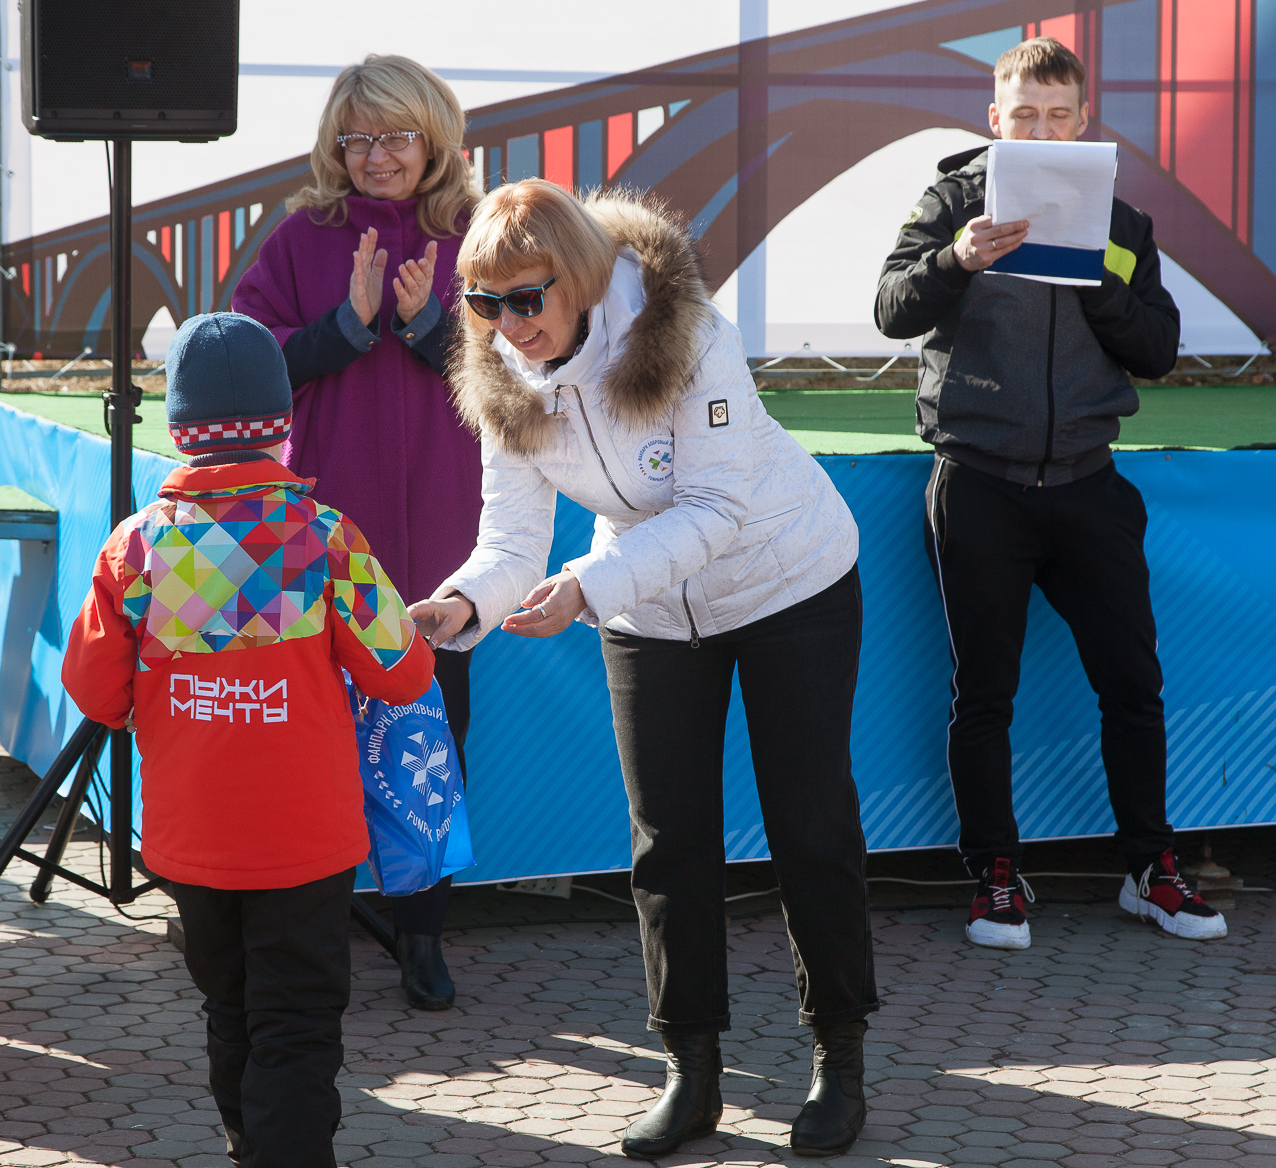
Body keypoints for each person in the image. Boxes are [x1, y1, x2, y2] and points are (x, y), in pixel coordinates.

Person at [410, 179, 878, 1159]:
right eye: (485, 303)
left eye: (526, 298)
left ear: (581, 279)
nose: (508, 325)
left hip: (787, 581)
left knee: (809, 825)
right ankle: (690, 1071)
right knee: (667, 844)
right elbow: (510, 542)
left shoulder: (686, 331)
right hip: (643, 602)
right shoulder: (503, 373)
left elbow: (717, 509)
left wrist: (586, 586)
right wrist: (461, 604)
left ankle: (839, 1059)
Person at [875, 36, 1226, 950]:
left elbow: (1158, 348)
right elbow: (891, 310)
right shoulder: (953, 202)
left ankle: (1151, 870)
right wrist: (956, 260)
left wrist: (1095, 277)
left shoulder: (1122, 223)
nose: (1040, 130)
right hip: (979, 484)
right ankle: (995, 873)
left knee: (1134, 686)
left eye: (1057, 116)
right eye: (1023, 115)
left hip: (1087, 484)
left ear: (1083, 123)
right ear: (996, 120)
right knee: (984, 693)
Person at [60, 313, 433, 1168]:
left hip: (192, 841)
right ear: (281, 424)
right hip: (307, 842)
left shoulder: (134, 549)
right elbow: (405, 676)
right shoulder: (326, 540)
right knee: (296, 1026)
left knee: (228, 1013)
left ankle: (248, 1145)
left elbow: (95, 692)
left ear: (178, 431)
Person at [233, 54, 483, 1009]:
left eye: (396, 136)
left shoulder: (479, 235)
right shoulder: (302, 238)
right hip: (327, 538)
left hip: (448, 539)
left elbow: (527, 372)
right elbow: (251, 363)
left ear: (435, 137)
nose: (377, 156)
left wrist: (427, 328)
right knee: (318, 736)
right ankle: (311, 929)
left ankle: (423, 934)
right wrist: (345, 325)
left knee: (432, 737)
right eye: (358, 139)